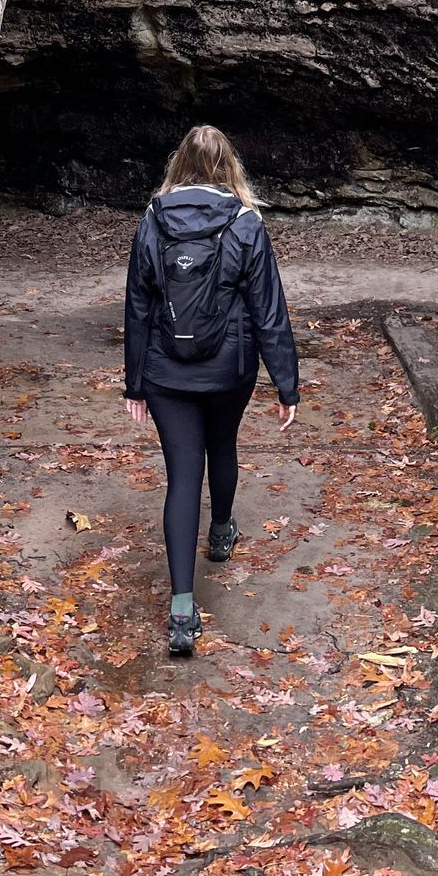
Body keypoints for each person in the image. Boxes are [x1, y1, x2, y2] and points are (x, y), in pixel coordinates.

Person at [123, 124, 300, 655]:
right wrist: (286, 385)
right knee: (222, 444)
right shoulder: (247, 224)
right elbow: (269, 311)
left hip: (165, 371)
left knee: (182, 476)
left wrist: (134, 383)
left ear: (178, 164)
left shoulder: (153, 220)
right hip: (229, 368)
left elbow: (137, 304)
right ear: (230, 167)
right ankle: (221, 532)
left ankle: (182, 609)